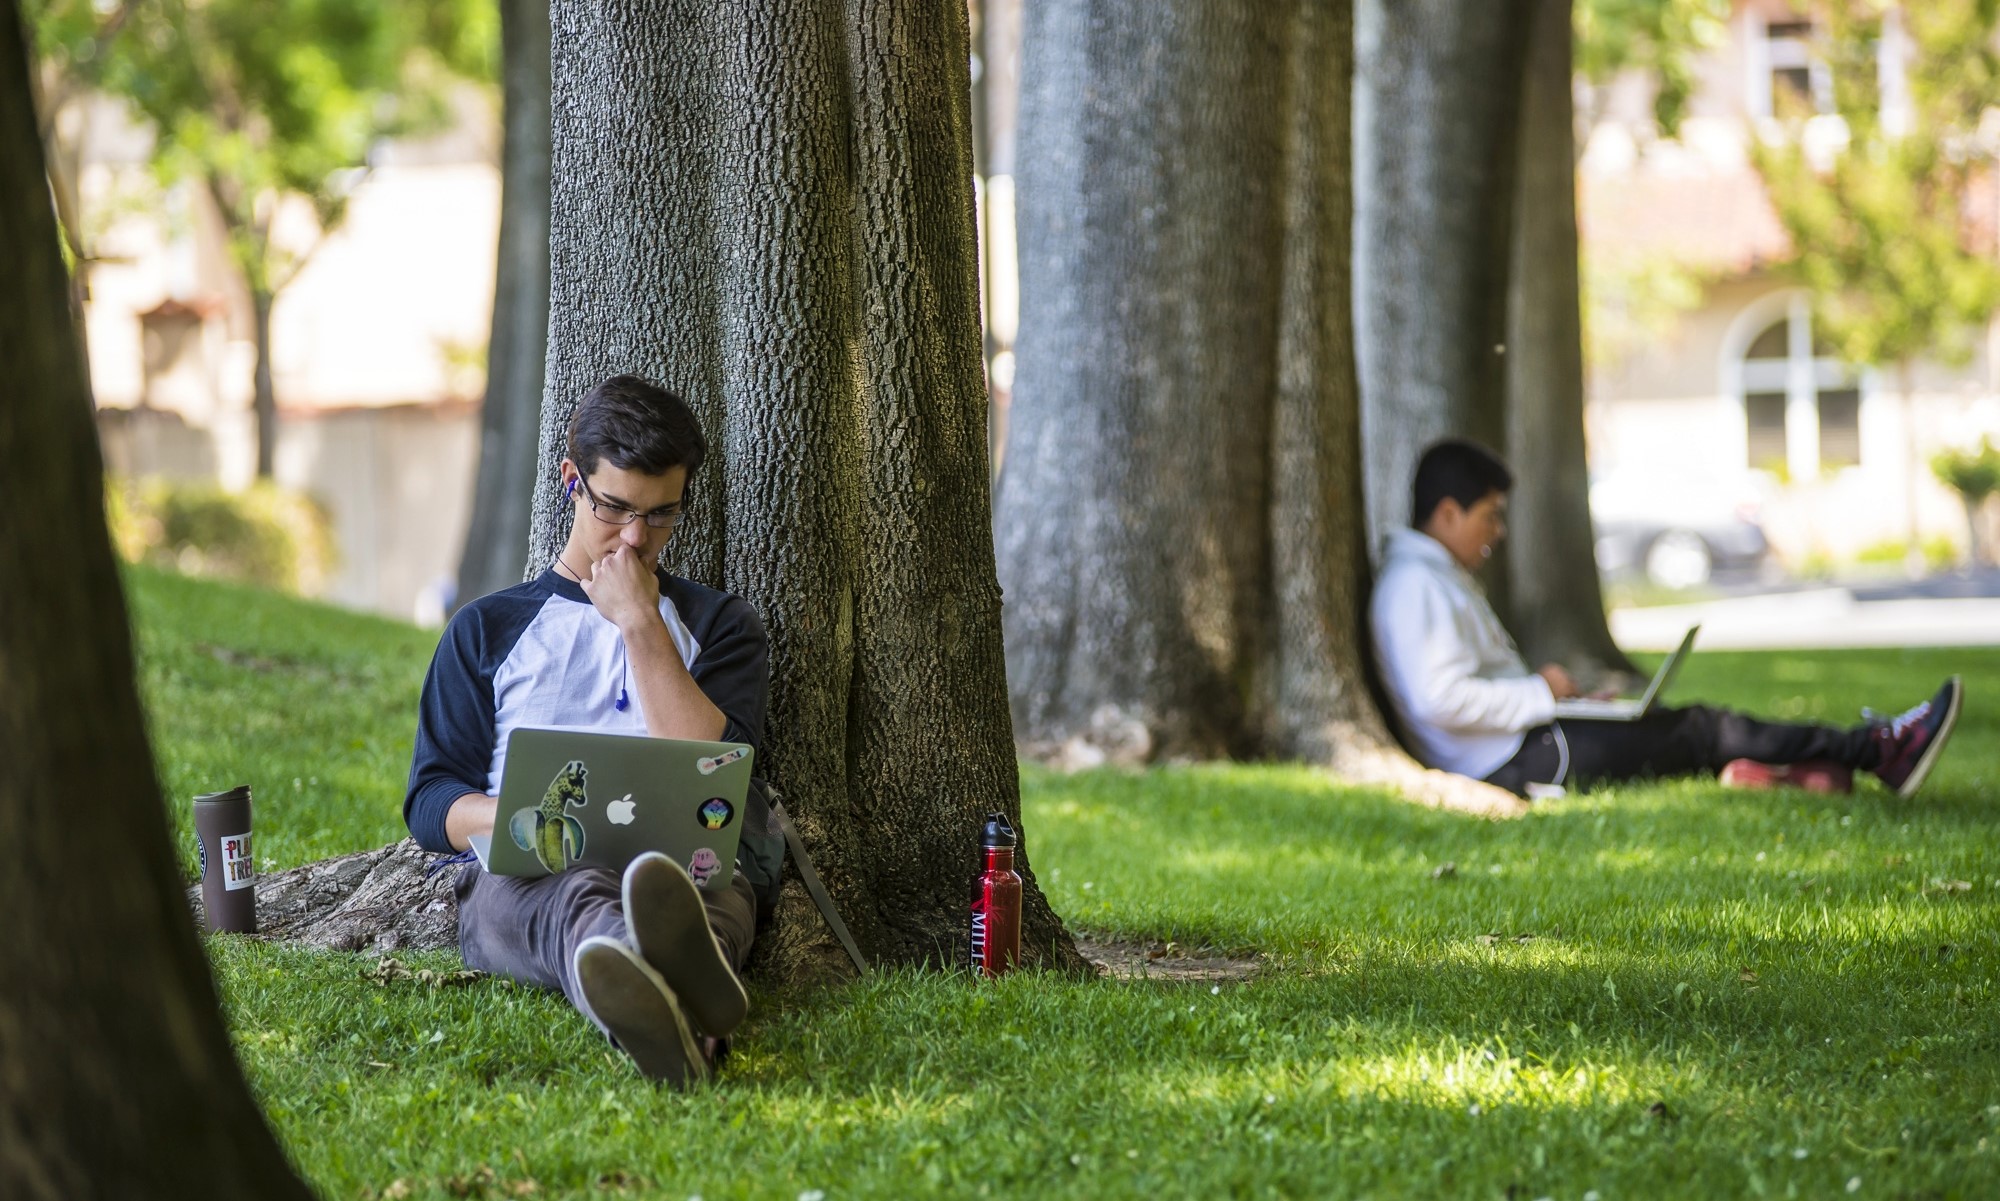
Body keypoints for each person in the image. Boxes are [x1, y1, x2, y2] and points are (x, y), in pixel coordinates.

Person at [404, 374, 779, 1087]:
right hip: (531, 874)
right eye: (617, 508)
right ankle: (672, 996)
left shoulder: (722, 628)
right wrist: (526, 818)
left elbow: (714, 772)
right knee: (578, 897)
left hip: (681, 869)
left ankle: (666, 999)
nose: (638, 537)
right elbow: (430, 799)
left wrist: (640, 622)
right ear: (572, 480)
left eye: (663, 515)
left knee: (703, 895)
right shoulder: (487, 629)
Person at [1369, 439, 1962, 799]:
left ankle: (1787, 771)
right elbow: (1437, 700)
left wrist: (1559, 699)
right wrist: (1539, 694)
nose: (1497, 533)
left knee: (1678, 729)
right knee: (1700, 728)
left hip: (1527, 737)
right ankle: (1880, 750)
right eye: (1489, 517)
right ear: (1447, 514)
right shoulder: (1415, 586)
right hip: (1515, 757)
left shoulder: (1432, 579)